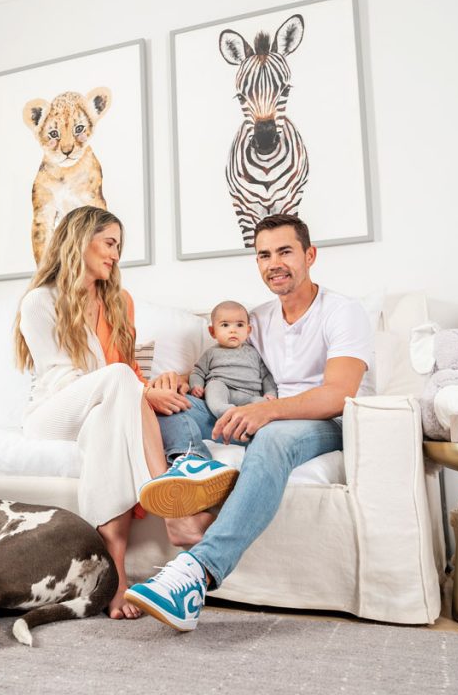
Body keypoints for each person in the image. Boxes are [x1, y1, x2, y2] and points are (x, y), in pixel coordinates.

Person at [125, 213, 374, 632]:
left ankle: (195, 574)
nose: (274, 262)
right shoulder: (257, 319)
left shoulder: (343, 312)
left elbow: (339, 392)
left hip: (325, 421)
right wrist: (180, 382)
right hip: (261, 409)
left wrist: (268, 410)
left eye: (284, 251)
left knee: (272, 438)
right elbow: (226, 367)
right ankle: (193, 467)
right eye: (264, 254)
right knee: (173, 404)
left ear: (310, 255)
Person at [14, 205, 206, 619]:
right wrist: (136, 391)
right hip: (53, 412)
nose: (116, 254)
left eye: (118, 245)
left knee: (109, 425)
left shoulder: (119, 301)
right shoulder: (39, 301)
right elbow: (65, 377)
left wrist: (150, 387)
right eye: (110, 243)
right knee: (118, 383)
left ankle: (116, 579)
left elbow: (130, 373)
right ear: (79, 241)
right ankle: (171, 502)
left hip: (106, 407)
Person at [188, 300, 277, 417]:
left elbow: (266, 376)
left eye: (240, 325)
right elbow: (197, 372)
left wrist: (270, 393)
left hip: (250, 394)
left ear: (248, 330)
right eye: (225, 325)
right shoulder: (211, 353)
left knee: (263, 405)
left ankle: (247, 418)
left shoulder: (254, 353)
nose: (233, 330)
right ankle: (225, 411)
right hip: (223, 389)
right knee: (214, 386)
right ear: (213, 331)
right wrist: (196, 386)